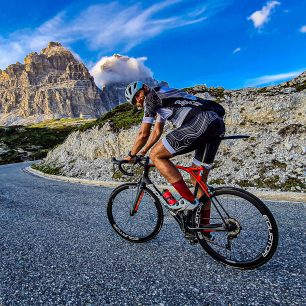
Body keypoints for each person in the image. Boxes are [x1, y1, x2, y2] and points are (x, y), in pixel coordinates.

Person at [124, 81, 225, 214]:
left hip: (200, 122)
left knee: (156, 155)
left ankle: (188, 199)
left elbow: (143, 134)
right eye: (135, 100)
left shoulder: (150, 98)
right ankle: (204, 231)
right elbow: (156, 132)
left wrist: (131, 155)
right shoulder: (161, 97)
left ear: (145, 88)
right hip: (216, 122)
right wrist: (142, 152)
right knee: (198, 181)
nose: (138, 99)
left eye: (138, 94)